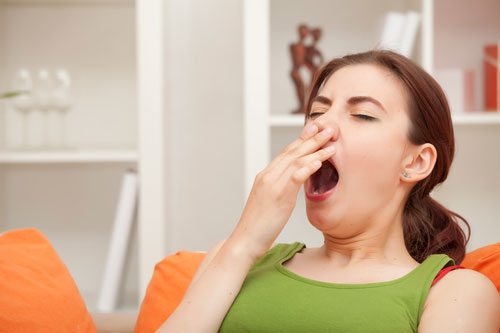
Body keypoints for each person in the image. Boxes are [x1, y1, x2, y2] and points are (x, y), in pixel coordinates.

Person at [158, 50, 500, 332]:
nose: (319, 126)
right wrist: (245, 242)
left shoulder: (455, 292)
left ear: (416, 162)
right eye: (317, 112)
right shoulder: (234, 258)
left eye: (363, 115)